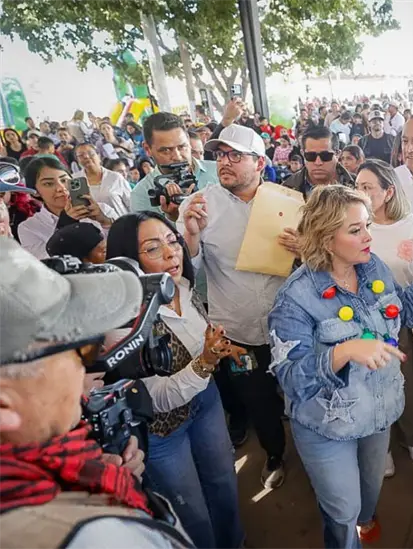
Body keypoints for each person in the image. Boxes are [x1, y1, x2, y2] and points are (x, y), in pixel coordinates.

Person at [267, 184, 413, 549]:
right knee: (342, 510)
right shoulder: (295, 299)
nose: (368, 236)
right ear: (326, 239)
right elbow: (292, 379)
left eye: (367, 225)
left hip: (376, 414)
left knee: (368, 493)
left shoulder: (372, 266)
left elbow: (402, 313)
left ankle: (364, 519)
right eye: (356, 229)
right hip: (327, 426)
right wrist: (344, 351)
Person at [0, 237, 196, 548]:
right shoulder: (94, 538)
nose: (90, 370)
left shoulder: (52, 474)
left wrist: (93, 478)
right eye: (83, 350)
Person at [106, 212, 245, 549]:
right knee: (190, 508)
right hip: (163, 430)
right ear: (128, 259)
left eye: (173, 241)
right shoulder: (124, 321)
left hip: (206, 400)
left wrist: (218, 347)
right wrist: (206, 362)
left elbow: (198, 338)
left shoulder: (182, 285)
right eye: (153, 248)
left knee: (224, 480)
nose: (171, 254)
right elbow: (157, 399)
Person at [178, 124, 289, 489]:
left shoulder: (287, 203)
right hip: (235, 331)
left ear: (259, 163)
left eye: (235, 155)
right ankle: (274, 454)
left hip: (287, 325)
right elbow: (186, 273)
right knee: (255, 396)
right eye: (220, 154)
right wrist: (191, 236)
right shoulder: (199, 206)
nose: (224, 162)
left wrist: (304, 249)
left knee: (296, 390)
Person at [355, 160, 413, 476]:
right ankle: (381, 446)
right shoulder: (354, 225)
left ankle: (412, 437)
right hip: (363, 325)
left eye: (367, 187)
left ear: (388, 192)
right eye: (357, 186)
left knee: (410, 384)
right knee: (372, 386)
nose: (360, 193)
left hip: (404, 321)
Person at [18, 156, 114, 259]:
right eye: (49, 184)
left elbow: (122, 245)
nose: (61, 188)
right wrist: (66, 224)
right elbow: (46, 262)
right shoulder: (29, 228)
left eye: (64, 180)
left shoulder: (103, 210)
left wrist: (106, 222)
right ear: (35, 192)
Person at [130, 112, 220, 219]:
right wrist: (176, 218)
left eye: (182, 147)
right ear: (147, 149)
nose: (177, 157)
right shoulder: (142, 194)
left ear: (188, 140)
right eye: (166, 150)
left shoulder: (218, 170)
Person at [283, 126, 355, 199]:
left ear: (337, 154)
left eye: (325, 156)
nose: (318, 162)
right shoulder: (287, 188)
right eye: (311, 156)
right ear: (302, 154)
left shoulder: (357, 186)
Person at [73, 143, 132, 218]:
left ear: (99, 156)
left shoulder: (115, 177)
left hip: (120, 222)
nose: (86, 157)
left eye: (90, 153)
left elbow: (131, 203)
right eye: (81, 155)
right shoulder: (75, 180)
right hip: (90, 224)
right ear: (77, 161)